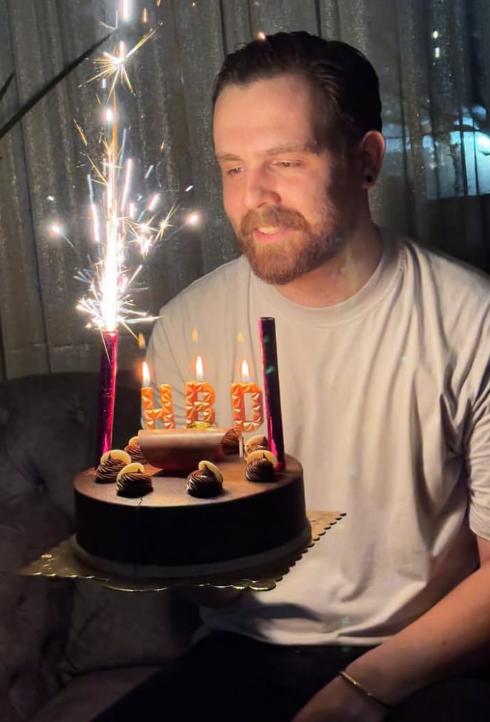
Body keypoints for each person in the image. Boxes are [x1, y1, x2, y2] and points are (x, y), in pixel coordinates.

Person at [96, 32, 490, 721]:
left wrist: (363, 689)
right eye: (233, 167)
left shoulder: (470, 320)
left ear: (366, 160)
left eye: (286, 161)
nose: (255, 196)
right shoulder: (189, 324)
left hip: (426, 657)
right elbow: (201, 556)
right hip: (243, 652)